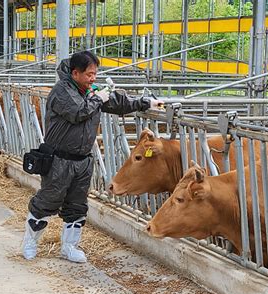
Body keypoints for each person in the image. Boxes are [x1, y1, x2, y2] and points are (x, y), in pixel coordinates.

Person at [22, 51, 163, 263]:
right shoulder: (62, 91)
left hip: (83, 160)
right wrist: (97, 98)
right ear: (75, 73)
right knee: (48, 200)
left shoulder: (89, 91)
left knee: (77, 205)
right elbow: (78, 112)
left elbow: (116, 103)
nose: (93, 78)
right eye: (89, 74)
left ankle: (69, 247)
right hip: (59, 159)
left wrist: (145, 103)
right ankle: (30, 242)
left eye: (95, 74)